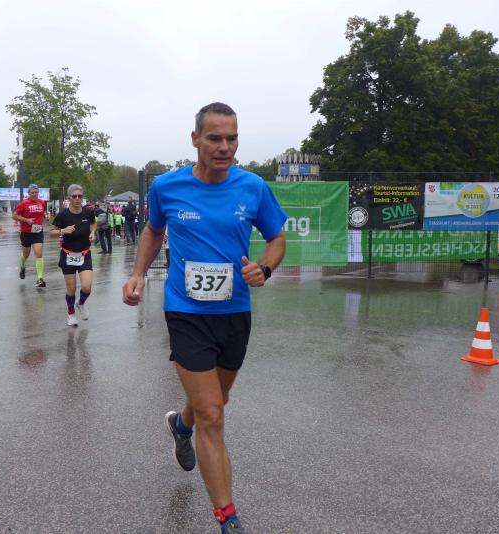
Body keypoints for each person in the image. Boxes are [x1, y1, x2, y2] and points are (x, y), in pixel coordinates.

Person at [122, 102, 287, 534]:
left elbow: (277, 238)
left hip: (234, 313)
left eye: (232, 138)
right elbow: (154, 230)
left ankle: (181, 425)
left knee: (215, 402)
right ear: (195, 139)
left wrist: (265, 268)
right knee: (212, 415)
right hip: (186, 311)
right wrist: (138, 274)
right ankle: (228, 518)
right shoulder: (167, 186)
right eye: (215, 138)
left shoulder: (252, 187)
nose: (224, 147)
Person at [51, 184, 96, 327]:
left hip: (84, 254)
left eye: (80, 196)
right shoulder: (63, 215)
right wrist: (63, 231)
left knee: (87, 287)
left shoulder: (88, 212)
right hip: (68, 255)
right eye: (74, 196)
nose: (77, 199)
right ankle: (71, 313)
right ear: (69, 198)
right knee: (71, 289)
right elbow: (52, 232)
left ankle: (80, 303)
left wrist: (92, 232)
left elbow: (93, 223)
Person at [13, 183, 48, 287]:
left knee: (39, 253)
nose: (34, 194)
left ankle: (40, 279)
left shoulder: (42, 202)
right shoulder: (24, 203)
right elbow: (14, 216)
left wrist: (45, 215)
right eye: (32, 192)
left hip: (38, 232)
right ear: (29, 193)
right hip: (26, 232)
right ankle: (22, 266)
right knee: (26, 254)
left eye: (36, 192)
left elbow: (42, 213)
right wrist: (26, 220)